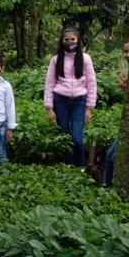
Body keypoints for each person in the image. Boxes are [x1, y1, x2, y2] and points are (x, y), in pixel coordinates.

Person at [44, 27, 98, 168]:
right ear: (61, 42)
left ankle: (80, 167)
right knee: (64, 137)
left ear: (78, 40)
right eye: (66, 40)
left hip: (79, 102)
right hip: (60, 100)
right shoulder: (56, 60)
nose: (69, 42)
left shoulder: (85, 59)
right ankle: (65, 168)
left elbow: (92, 83)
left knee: (77, 138)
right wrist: (49, 108)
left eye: (72, 39)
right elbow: (49, 83)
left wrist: (90, 108)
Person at [103, 41, 129, 188]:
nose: (126, 56)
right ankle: (107, 188)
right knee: (110, 156)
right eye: (125, 52)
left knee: (114, 156)